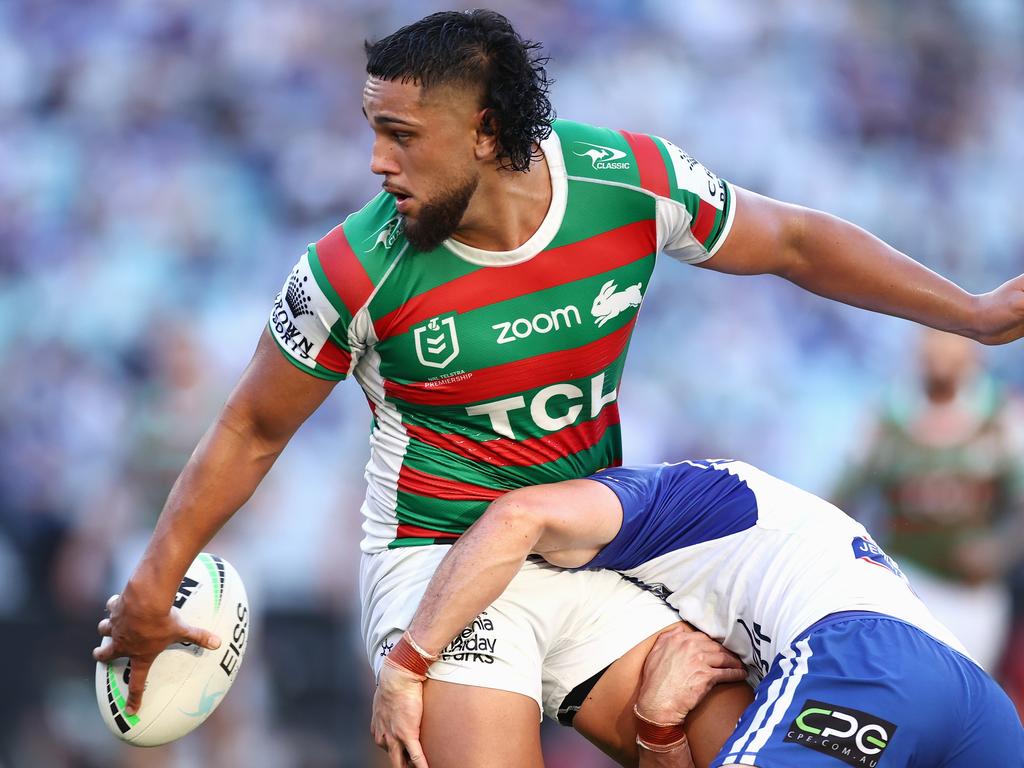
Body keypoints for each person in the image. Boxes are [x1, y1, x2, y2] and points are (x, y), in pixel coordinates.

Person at [93, 9, 1024, 768]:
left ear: (488, 129)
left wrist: (970, 313)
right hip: (435, 570)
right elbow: (251, 428)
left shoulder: (624, 181)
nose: (378, 162)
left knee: (725, 748)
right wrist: (151, 585)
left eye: (401, 136)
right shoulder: (350, 269)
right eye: (373, 130)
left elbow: (791, 242)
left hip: (584, 558)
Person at [374, 459, 1024, 767]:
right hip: (970, 695)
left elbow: (516, 518)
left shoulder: (664, 497)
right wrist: (657, 730)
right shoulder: (740, 530)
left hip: (858, 657)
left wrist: (407, 665)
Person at [834, 328, 1024, 672]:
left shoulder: (1002, 415)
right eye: (933, 351)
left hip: (971, 595)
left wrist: (998, 548)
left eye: (951, 352)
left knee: (959, 699)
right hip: (903, 579)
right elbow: (841, 494)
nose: (941, 363)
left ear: (973, 357)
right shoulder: (886, 413)